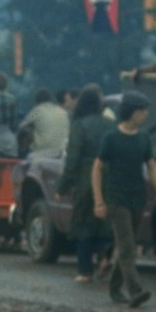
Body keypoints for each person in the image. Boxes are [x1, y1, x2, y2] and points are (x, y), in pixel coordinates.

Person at [92, 91, 156, 308]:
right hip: (116, 200)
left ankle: (115, 288)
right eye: (142, 110)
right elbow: (97, 169)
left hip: (137, 198)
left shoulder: (144, 137)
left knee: (127, 245)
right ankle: (135, 290)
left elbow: (151, 166)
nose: (145, 114)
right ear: (132, 112)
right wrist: (99, 201)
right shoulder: (111, 139)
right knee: (127, 247)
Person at [58, 85, 116, 283]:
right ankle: (105, 254)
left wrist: (62, 187)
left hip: (85, 178)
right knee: (104, 221)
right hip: (109, 177)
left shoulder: (79, 126)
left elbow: (72, 160)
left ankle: (85, 271)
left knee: (83, 223)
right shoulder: (110, 124)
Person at [16, 88, 71, 158]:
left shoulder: (37, 110)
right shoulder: (63, 112)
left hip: (41, 151)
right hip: (61, 151)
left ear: (36, 100)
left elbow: (22, 126)